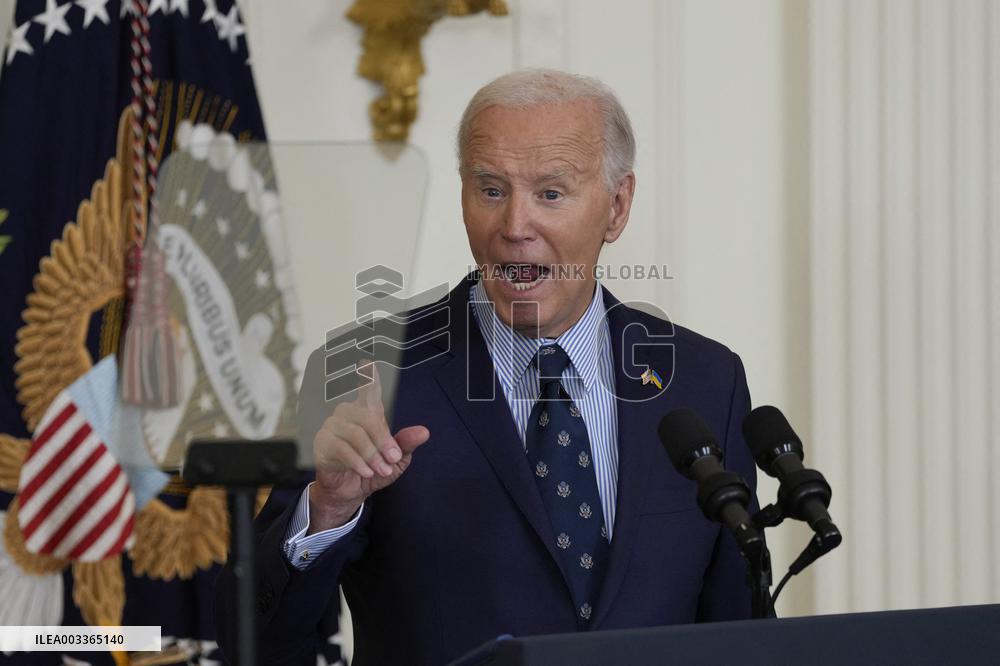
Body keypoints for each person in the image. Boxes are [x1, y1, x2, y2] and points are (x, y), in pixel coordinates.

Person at [216, 69, 758, 665]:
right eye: (492, 190)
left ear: (617, 207)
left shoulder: (707, 382)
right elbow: (258, 644)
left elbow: (739, 628)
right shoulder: (363, 374)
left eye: (550, 193)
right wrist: (328, 510)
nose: (514, 227)